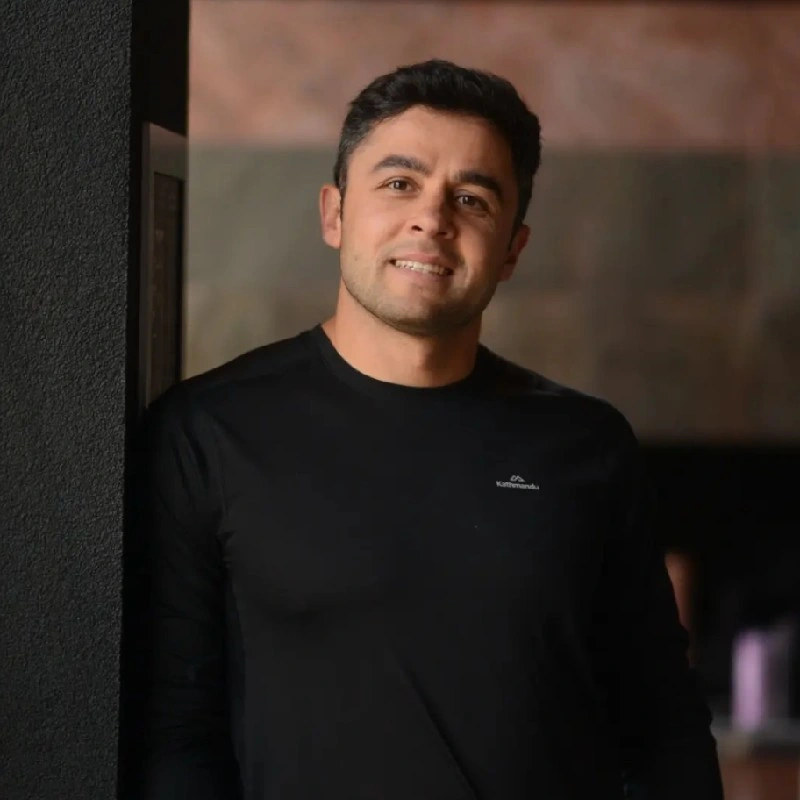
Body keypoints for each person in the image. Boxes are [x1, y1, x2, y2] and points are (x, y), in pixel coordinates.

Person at [128, 59, 723, 799]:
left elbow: (663, 723)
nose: (432, 220)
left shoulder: (588, 445)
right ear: (334, 213)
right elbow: (177, 737)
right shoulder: (209, 432)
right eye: (399, 183)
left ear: (512, 249)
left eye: (472, 199)